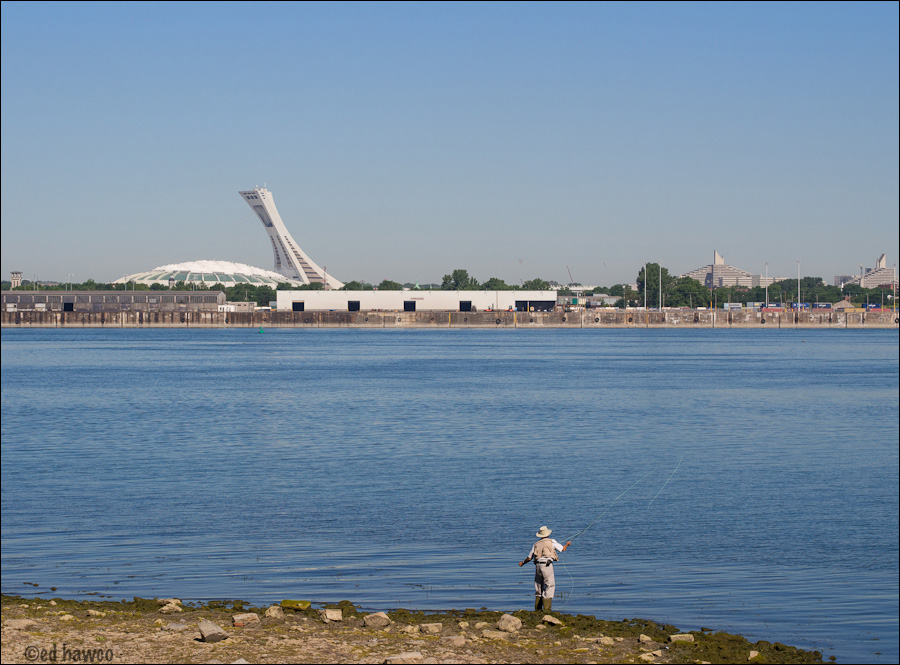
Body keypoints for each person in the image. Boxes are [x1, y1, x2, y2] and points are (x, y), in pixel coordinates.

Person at [519, 525, 571, 612]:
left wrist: (522, 563)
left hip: (538, 566)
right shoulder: (551, 541)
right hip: (547, 566)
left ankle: (537, 610)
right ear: (547, 534)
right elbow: (562, 549)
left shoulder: (536, 544)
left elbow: (529, 558)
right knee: (549, 586)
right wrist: (567, 544)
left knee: (539, 587)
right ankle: (547, 611)